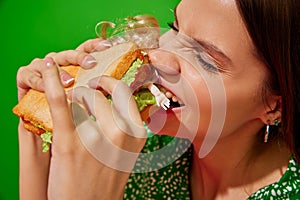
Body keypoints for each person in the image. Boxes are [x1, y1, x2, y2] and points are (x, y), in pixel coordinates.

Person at [16, 0, 300, 199]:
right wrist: (37, 135)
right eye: (174, 28)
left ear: (274, 104)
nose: (157, 55)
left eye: (205, 58)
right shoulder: (128, 147)